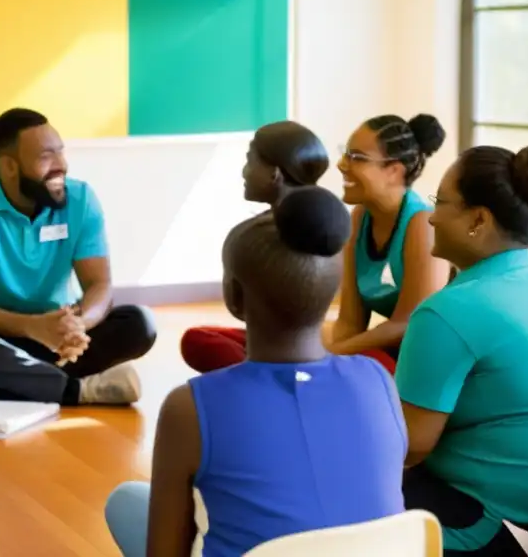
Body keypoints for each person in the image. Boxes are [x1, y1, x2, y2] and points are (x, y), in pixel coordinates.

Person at [105, 187, 407, 557]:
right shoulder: (378, 380)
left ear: (232, 298)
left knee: (127, 501)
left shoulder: (189, 408)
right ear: (333, 290)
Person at [396, 144, 528, 555]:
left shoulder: (447, 312)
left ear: (478, 219)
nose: (431, 216)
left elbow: (408, 445)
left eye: (441, 202)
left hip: (508, 525)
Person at [0, 108, 158, 405]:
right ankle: (74, 390)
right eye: (45, 157)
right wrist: (32, 327)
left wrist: (80, 325)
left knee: (140, 323)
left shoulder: (80, 199)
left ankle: (2, 382)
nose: (61, 165)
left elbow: (99, 284)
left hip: (62, 336)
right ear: (9, 167)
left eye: (60, 153)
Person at [179, 120, 330, 373]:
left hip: (290, 347)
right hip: (313, 347)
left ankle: (259, 378)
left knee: (200, 341)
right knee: (200, 337)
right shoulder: (330, 228)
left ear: (275, 174)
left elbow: (240, 310)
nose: (244, 172)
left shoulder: (253, 237)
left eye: (250, 161)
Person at [328, 114, 451, 369]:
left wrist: (332, 355)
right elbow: (350, 322)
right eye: (345, 153)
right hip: (398, 353)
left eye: (356, 157)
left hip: (436, 360)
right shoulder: (359, 218)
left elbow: (407, 324)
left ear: (394, 171)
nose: (341, 164)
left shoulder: (423, 224)